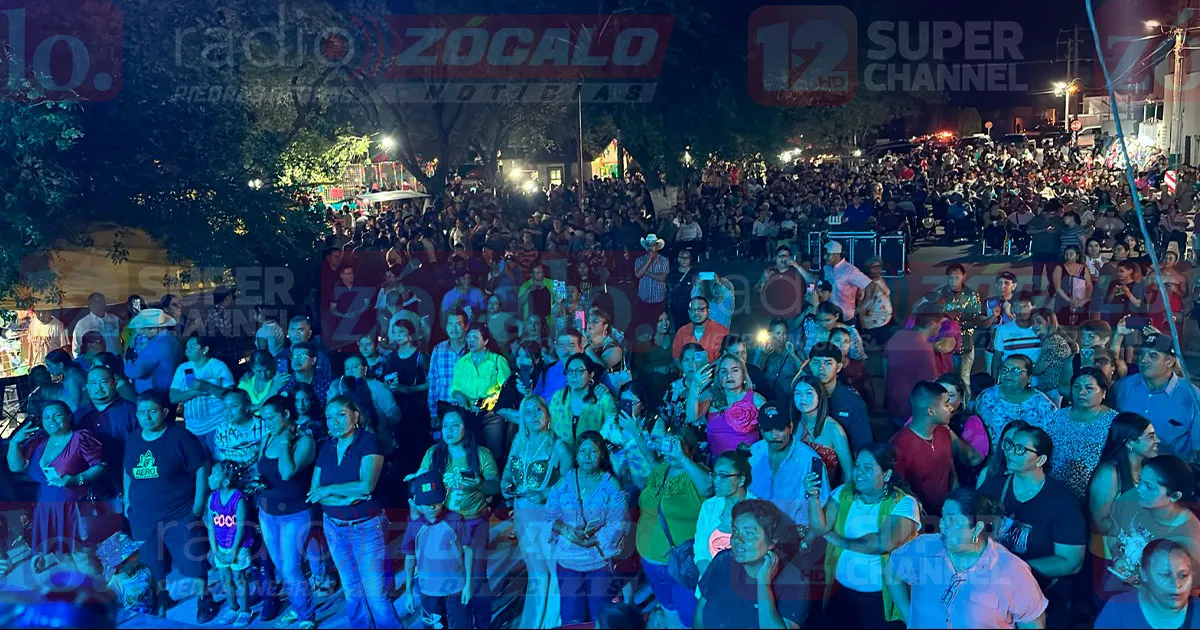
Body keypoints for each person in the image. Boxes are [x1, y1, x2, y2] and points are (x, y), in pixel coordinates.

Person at [884, 487, 1049, 628]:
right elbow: (892, 572)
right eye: (943, 517)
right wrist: (911, 619)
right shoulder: (924, 548)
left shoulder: (1011, 570)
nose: (942, 525)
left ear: (977, 528)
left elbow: (1032, 622)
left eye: (952, 520)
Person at [307, 397, 402, 629]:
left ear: (355, 415)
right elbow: (313, 492)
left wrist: (328, 491)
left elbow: (366, 486)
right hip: (333, 526)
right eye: (330, 417)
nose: (335, 421)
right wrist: (347, 497)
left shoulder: (368, 442)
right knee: (351, 589)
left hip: (365, 526)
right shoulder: (327, 448)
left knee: (374, 593)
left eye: (341, 414)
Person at [977, 425, 1086, 626]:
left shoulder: (1061, 501)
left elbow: (1071, 562)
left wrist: (1015, 570)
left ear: (1041, 460)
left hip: (1042, 595)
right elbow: (973, 526)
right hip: (992, 589)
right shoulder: (994, 485)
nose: (1010, 452)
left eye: (1020, 449)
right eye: (1009, 445)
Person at [123, 392, 216, 621]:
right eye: (142, 412)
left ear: (164, 412)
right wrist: (127, 501)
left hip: (179, 512)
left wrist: (197, 507)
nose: (147, 417)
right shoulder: (134, 438)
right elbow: (128, 472)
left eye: (152, 411)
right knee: (152, 562)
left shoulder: (180, 436)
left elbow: (201, 469)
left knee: (193, 559)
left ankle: (204, 599)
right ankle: (162, 597)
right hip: (144, 517)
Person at [805, 443, 920, 629]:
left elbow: (884, 543)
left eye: (867, 469)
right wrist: (813, 497)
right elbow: (821, 528)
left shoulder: (904, 503)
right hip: (841, 593)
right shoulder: (844, 493)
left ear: (887, 475)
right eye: (857, 466)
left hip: (880, 599)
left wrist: (839, 540)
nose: (858, 473)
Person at [414, 408, 501, 629]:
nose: (449, 430)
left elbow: (495, 485)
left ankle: (483, 623)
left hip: (473, 522)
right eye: (445, 426)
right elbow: (419, 485)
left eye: (455, 425)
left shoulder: (481, 454)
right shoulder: (433, 454)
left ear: (466, 428)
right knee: (448, 575)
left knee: (477, 576)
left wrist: (478, 484)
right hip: (442, 525)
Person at [7, 401, 106, 575]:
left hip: (75, 507)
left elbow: (100, 466)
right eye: (46, 417)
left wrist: (77, 479)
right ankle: (80, 595)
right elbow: (16, 467)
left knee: (83, 556)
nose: (51, 420)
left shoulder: (80, 437)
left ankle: (100, 597)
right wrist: (15, 442)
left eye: (57, 415)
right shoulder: (38, 441)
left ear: (68, 416)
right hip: (47, 508)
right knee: (61, 554)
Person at [502, 396, 574, 629]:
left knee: (553, 570)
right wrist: (505, 485)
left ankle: (552, 622)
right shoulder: (519, 441)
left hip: (547, 515)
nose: (533, 416)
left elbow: (570, 484)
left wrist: (545, 494)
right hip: (522, 512)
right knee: (535, 571)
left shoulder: (559, 446)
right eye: (528, 411)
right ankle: (532, 622)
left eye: (538, 410)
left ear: (548, 414)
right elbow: (507, 473)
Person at [545, 431, 628, 625]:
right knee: (571, 618)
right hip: (568, 563)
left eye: (593, 451)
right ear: (576, 455)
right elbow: (549, 515)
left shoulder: (611, 485)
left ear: (602, 455)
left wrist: (593, 540)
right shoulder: (565, 482)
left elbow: (618, 524)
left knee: (600, 617)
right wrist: (567, 531)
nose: (588, 456)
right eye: (583, 451)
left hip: (599, 563)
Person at [694, 499, 812, 629]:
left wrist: (763, 585)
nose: (737, 540)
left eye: (749, 534)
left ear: (772, 542)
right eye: (735, 531)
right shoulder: (723, 560)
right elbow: (701, 609)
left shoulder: (794, 582)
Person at [256, 396, 318, 630]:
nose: (267, 423)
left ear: (287, 415)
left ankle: (306, 616)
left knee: (292, 568)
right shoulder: (267, 437)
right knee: (282, 567)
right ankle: (298, 605)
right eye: (264, 419)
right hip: (268, 513)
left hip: (296, 513)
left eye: (271, 418)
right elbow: (262, 470)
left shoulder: (304, 441)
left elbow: (286, 472)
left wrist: (283, 442)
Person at [1104, 455, 1200, 591]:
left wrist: (1136, 584)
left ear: (1175, 496)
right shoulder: (1130, 500)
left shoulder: (1190, 540)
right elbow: (1114, 536)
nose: (1139, 489)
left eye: (1149, 487)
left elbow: (1177, 594)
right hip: (1115, 584)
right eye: (1140, 480)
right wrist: (1117, 558)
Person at [400, 470, 471, 630]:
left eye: (436, 502)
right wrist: (409, 593)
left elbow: (468, 551)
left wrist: (468, 585)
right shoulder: (415, 526)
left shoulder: (455, 519)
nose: (432, 507)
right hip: (428, 590)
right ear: (415, 502)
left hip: (456, 587)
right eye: (426, 504)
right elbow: (409, 559)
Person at [1114, 333, 1200, 461]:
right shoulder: (1123, 387)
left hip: (1169, 476)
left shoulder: (1192, 396)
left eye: (1153, 355)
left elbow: (1198, 451)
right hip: (1125, 469)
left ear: (1170, 361)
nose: (1143, 360)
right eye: (1142, 354)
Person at [747, 401, 831, 530]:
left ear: (790, 428)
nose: (774, 435)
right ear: (761, 431)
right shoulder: (754, 452)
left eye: (780, 429)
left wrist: (807, 541)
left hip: (794, 532)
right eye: (768, 430)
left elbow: (823, 505)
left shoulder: (810, 460)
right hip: (757, 529)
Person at [1044, 368, 1119, 499]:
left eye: (1089, 388)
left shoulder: (1114, 422)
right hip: (1054, 488)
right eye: (1077, 387)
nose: (1081, 392)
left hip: (1096, 492)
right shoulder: (1057, 417)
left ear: (1104, 392)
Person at [1094, 539, 1200, 628]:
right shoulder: (1119, 609)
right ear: (1144, 574)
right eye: (1165, 575)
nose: (1177, 584)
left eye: (1183, 575)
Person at [889, 381, 957, 517]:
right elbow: (897, 489)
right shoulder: (899, 445)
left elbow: (951, 470)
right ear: (931, 411)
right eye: (946, 404)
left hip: (947, 513)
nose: (951, 408)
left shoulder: (944, 433)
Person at [693, 449, 756, 582]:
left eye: (723, 476)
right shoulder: (709, 507)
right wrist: (713, 582)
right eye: (715, 475)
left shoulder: (758, 510)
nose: (716, 480)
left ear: (741, 480)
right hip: (710, 584)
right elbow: (701, 551)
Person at [205, 461, 255, 627]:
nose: (209, 477)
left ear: (226, 481)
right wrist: (214, 549)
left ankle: (245, 610)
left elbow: (241, 527)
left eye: (213, 474)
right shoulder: (212, 498)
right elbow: (211, 526)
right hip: (220, 547)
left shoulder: (238, 499)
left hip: (237, 547)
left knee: (239, 578)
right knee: (225, 578)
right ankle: (232, 607)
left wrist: (234, 551)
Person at [974, 354, 1058, 450]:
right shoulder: (986, 397)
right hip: (991, 459)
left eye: (1016, 370)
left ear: (1029, 377)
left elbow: (1051, 440)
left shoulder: (1043, 405)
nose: (1008, 374)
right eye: (1005, 369)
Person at [693, 353, 766, 456]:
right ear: (718, 375)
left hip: (747, 464)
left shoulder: (756, 399)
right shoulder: (710, 396)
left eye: (735, 370)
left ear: (743, 373)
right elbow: (692, 416)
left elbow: (771, 431)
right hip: (717, 465)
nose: (729, 376)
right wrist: (695, 386)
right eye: (724, 371)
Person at [806, 342, 873, 453]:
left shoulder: (853, 403)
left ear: (838, 367)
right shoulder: (803, 398)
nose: (821, 368)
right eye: (816, 363)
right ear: (810, 366)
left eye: (828, 363)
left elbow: (863, 445)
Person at [884, 311, 945, 425]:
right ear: (931, 324)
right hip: (910, 407)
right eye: (939, 324)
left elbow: (885, 367)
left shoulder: (898, 335)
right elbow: (931, 383)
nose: (940, 327)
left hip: (893, 401)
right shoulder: (924, 348)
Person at [169, 334, 236, 439]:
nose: (188, 350)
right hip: (192, 427)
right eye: (187, 347)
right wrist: (194, 392)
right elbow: (173, 397)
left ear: (205, 349)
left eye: (192, 346)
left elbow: (232, 395)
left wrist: (208, 387)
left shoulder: (218, 366)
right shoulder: (183, 368)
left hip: (217, 424)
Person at [792, 375, 853, 485]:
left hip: (823, 493)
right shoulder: (792, 425)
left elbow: (849, 474)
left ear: (819, 396)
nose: (802, 398)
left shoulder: (833, 429)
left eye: (809, 393)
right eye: (798, 393)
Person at [550, 354, 618, 448]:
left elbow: (614, 430)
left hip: (594, 456)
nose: (574, 375)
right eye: (570, 371)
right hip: (564, 456)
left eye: (579, 371)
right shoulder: (557, 398)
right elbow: (551, 432)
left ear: (591, 375)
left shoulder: (602, 398)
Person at [122, 308, 183, 395]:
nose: (142, 332)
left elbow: (136, 372)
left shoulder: (156, 345)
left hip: (155, 393)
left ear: (154, 329)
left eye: (144, 329)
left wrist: (129, 356)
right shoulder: (173, 338)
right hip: (167, 389)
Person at [427, 309, 469, 427]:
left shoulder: (474, 348)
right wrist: (433, 413)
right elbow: (434, 383)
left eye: (458, 324)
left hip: (468, 406)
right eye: (450, 324)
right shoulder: (438, 349)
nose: (453, 329)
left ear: (466, 326)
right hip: (444, 406)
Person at [822, 241, 871, 324]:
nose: (824, 257)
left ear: (836, 255)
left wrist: (861, 308)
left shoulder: (850, 270)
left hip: (846, 317)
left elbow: (870, 286)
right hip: (829, 316)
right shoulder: (826, 268)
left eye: (827, 254)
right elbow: (815, 282)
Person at [802, 302, 866, 361]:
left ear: (836, 316)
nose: (823, 324)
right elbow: (807, 352)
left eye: (827, 320)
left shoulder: (851, 332)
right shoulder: (814, 330)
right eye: (820, 320)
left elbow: (858, 357)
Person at [671, 296, 729, 363]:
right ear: (688, 312)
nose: (696, 313)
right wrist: (689, 373)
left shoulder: (722, 331)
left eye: (700, 309)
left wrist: (706, 372)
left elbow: (725, 358)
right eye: (692, 310)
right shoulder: (682, 331)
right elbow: (676, 358)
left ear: (708, 311)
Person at [1052, 244, 1094, 327]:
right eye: (1066, 254)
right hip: (1063, 303)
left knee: (1081, 327)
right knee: (1062, 326)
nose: (1068, 256)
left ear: (1077, 256)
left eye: (1071, 254)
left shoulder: (1083, 268)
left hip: (1081, 303)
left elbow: (1089, 286)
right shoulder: (1059, 268)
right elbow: (1058, 288)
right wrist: (1070, 301)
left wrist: (1084, 300)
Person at [72, 292, 121, 358]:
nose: (101, 304)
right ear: (90, 305)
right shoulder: (83, 324)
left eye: (103, 301)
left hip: (116, 361)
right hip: (95, 364)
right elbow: (77, 348)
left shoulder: (114, 319)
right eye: (97, 302)